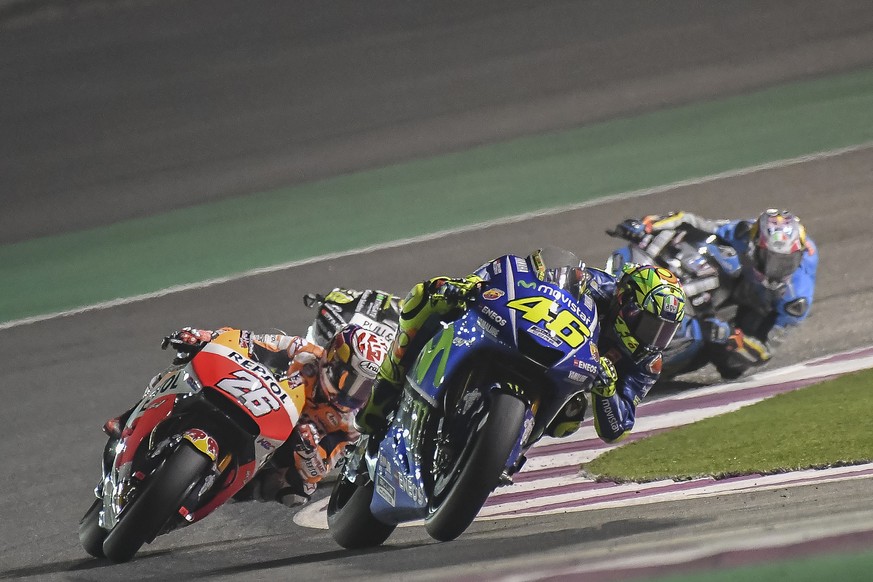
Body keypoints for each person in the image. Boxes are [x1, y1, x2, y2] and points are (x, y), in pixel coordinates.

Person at [354, 246, 686, 444]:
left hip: (564, 379)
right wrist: (476, 285)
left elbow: (617, 429)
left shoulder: (647, 362)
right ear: (626, 301)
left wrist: (607, 391)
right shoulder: (599, 285)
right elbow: (528, 274)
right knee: (429, 293)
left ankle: (507, 448)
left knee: (569, 419)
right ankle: (389, 381)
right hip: (536, 335)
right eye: (650, 325)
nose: (654, 339)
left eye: (664, 332)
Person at [133, 323, 389, 507]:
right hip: (246, 395)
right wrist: (204, 337)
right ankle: (137, 414)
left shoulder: (349, 422)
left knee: (297, 494)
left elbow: (319, 472)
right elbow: (246, 340)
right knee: (187, 359)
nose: (355, 393)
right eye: (352, 380)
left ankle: (237, 485)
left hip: (275, 444)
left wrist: (308, 450)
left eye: (365, 387)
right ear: (333, 361)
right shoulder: (302, 352)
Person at [613, 208, 817, 379]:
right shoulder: (743, 233)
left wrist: (729, 336)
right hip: (741, 279)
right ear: (755, 246)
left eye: (787, 262)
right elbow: (692, 221)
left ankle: (667, 357)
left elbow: (764, 351)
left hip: (761, 307)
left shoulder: (796, 300)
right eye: (771, 259)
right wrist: (648, 225)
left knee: (732, 367)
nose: (778, 270)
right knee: (711, 244)